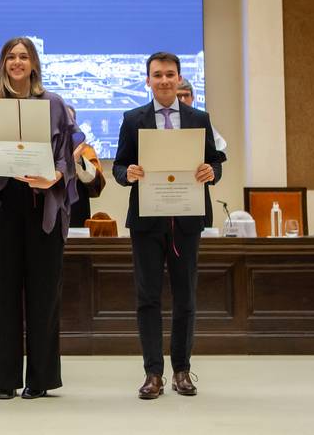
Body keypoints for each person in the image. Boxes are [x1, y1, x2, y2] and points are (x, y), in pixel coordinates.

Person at [112, 51, 225, 400]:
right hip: (147, 221)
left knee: (185, 297)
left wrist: (212, 172)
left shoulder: (199, 118)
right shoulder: (133, 119)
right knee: (147, 298)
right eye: (157, 75)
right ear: (148, 80)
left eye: (170, 74)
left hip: (187, 220)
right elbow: (118, 167)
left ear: (179, 79)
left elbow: (215, 163)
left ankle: (182, 370)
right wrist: (127, 174)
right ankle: (153, 374)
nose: (163, 80)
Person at [0, 37, 77, 400]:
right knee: (0, 294)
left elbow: (71, 156)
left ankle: (40, 379)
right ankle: (4, 378)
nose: (17, 62)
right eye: (10, 57)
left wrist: (57, 177)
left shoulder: (55, 105)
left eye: (23, 56)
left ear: (33, 64)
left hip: (42, 205)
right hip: (3, 208)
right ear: (3, 65)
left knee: (44, 294)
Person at [65, 105, 106, 228]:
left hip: (77, 207)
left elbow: (96, 183)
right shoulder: (46, 148)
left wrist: (77, 160)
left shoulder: (86, 149)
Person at [176, 79, 227, 151]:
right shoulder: (166, 120)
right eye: (179, 96)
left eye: (186, 95)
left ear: (192, 98)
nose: (183, 100)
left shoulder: (200, 119)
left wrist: (211, 162)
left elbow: (221, 147)